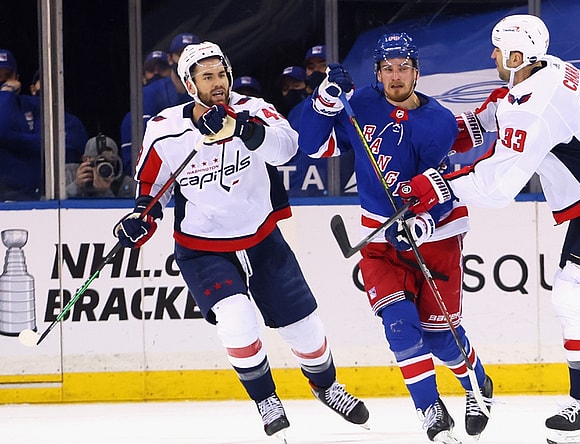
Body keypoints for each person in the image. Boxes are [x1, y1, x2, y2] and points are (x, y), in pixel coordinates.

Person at [398, 14, 580, 444]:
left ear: (519, 55)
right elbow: (507, 102)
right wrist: (464, 127)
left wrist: (440, 185)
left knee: (574, 291)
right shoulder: (549, 66)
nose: (492, 56)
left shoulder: (535, 109)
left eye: (498, 49)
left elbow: (497, 185)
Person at [112, 41, 369, 441]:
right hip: (202, 246)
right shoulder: (165, 127)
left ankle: (326, 386)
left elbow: (286, 149)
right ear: (188, 83)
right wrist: (139, 218)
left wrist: (241, 128)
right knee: (236, 320)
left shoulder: (253, 109)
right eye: (208, 77)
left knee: (304, 328)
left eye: (222, 74)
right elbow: (152, 186)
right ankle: (266, 400)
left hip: (261, 236)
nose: (219, 83)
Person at [298, 33, 494, 443]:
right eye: (388, 68)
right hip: (378, 238)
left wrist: (425, 220)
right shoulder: (361, 106)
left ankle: (476, 379)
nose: (396, 76)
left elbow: (442, 182)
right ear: (378, 73)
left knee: (442, 340)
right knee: (400, 327)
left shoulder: (438, 121)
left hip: (437, 234)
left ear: (417, 72)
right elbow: (311, 146)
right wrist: (324, 103)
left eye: (404, 67)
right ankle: (430, 411)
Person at [0, 50, 87, 201]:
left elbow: (62, 142)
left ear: (17, 78)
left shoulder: (28, 104)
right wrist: (6, 92)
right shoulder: (8, 103)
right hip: (6, 198)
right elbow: (2, 129)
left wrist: (14, 141)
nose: (4, 82)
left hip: (45, 196)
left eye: (8, 76)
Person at [120, 33, 200, 175]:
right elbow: (144, 144)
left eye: (191, 53)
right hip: (161, 174)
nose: (186, 59)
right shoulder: (150, 93)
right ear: (170, 58)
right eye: (180, 53)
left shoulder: (206, 92)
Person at [65, 134, 136, 198]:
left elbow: (123, 210)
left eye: (109, 162)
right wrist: (76, 185)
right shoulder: (68, 173)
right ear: (85, 159)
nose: (103, 167)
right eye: (98, 161)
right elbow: (59, 203)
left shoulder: (124, 182)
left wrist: (105, 192)